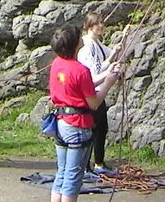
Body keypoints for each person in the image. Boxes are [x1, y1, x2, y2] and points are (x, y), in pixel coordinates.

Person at [48, 25, 122, 202]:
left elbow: (81, 85)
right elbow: (94, 103)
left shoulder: (56, 64)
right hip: (77, 125)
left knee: (62, 172)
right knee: (73, 177)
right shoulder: (81, 70)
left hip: (60, 122)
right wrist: (109, 83)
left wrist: (106, 74)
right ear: (75, 45)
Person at [78, 14, 116, 175]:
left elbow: (107, 57)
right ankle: (89, 166)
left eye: (102, 23)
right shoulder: (88, 47)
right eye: (97, 24)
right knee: (94, 128)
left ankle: (97, 164)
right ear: (89, 27)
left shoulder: (97, 43)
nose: (101, 26)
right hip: (92, 92)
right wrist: (110, 71)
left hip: (97, 90)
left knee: (100, 127)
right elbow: (94, 71)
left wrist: (116, 52)